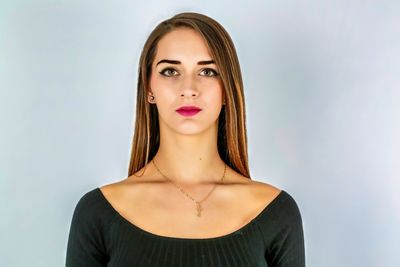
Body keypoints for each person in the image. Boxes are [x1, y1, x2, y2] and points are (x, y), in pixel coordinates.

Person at [66, 11, 305, 267]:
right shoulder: (99, 213)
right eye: (170, 71)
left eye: (207, 72)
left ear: (226, 90)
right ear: (149, 88)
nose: (188, 89)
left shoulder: (275, 213)